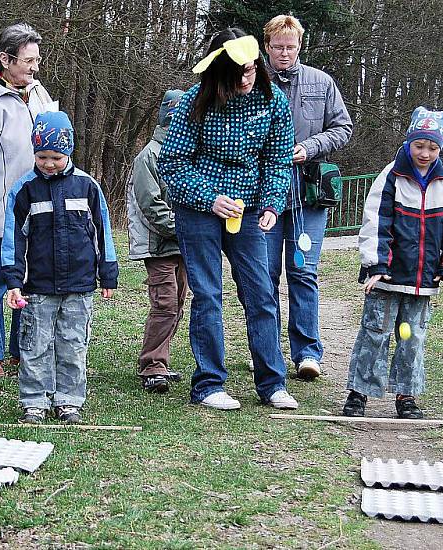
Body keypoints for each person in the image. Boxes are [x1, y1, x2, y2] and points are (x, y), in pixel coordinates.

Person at [157, 28, 299, 411]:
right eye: (239, 72)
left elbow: (277, 159)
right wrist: (209, 198)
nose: (247, 78)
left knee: (261, 293)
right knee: (207, 294)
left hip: (250, 209)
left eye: (252, 70)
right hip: (200, 209)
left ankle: (272, 384)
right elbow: (172, 162)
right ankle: (209, 384)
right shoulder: (194, 102)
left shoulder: (274, 102)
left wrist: (271, 205)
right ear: (220, 72)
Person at [341, 107, 443, 419]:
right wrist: (375, 265)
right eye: (419, 146)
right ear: (409, 142)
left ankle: (406, 396)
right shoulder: (390, 177)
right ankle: (359, 394)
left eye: (432, 148)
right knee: (375, 333)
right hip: (386, 277)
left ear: (441, 148)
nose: (424, 153)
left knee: (411, 339)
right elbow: (375, 222)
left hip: (423, 281)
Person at [3, 111, 119, 424]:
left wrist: (107, 273)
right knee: (35, 344)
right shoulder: (24, 190)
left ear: (68, 152)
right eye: (42, 157)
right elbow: (14, 240)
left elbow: (102, 231)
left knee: (73, 344)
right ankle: (34, 401)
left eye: (55, 157)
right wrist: (14, 280)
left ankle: (69, 401)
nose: (49, 164)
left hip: (79, 285)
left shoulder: (87, 186)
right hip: (38, 285)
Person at [258, 15, 353, 380]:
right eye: (278, 47)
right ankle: (266, 350)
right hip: (262, 193)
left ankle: (308, 352)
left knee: (303, 271)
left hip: (308, 195)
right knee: (263, 276)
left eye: (291, 47)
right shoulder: (254, 82)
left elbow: (343, 128)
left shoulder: (322, 82)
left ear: (301, 45)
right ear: (267, 46)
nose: (285, 53)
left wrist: (311, 146)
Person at [0, 23, 55, 378]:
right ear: (6, 59)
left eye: (37, 60)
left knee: (29, 282)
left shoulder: (38, 93)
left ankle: (22, 351)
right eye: (28, 60)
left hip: (39, 207)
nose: (35, 67)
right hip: (3, 212)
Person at [126, 89, 187, 394]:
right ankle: (152, 364)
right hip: (159, 245)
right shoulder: (149, 156)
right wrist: (186, 228)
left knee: (176, 304)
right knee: (164, 303)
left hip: (183, 247)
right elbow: (152, 207)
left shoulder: (188, 153)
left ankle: (159, 359)